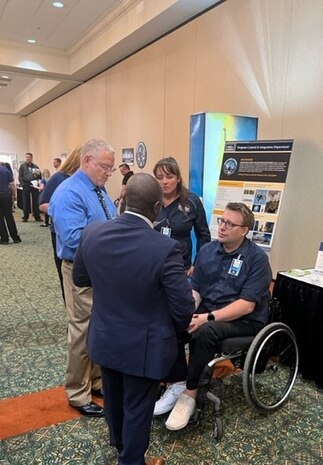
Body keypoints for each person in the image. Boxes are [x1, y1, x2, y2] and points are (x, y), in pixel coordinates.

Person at [73, 173, 195, 465]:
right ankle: (131, 460)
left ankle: (119, 446)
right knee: (138, 407)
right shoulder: (165, 248)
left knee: (113, 398)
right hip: (144, 345)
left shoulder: (92, 232)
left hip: (104, 336)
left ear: (124, 199)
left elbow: (80, 278)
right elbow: (184, 308)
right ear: (156, 208)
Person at [163, 202, 272, 431]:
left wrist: (207, 318)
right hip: (210, 311)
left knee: (206, 331)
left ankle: (190, 394)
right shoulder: (207, 251)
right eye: (222, 221)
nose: (222, 227)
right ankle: (177, 381)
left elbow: (246, 306)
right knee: (171, 320)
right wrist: (187, 311)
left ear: (244, 230)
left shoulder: (257, 259)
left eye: (230, 224)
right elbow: (197, 290)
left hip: (243, 321)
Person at [49, 139, 117, 417]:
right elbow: (75, 239)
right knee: (82, 331)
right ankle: (78, 392)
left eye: (111, 169)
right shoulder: (68, 193)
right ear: (87, 161)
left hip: (103, 270)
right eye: (105, 167)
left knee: (99, 327)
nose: (108, 173)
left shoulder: (98, 189)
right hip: (81, 269)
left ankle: (97, 381)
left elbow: (111, 221)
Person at [152, 156, 211, 416]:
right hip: (153, 272)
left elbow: (204, 237)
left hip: (181, 273)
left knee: (177, 323)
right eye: (160, 177)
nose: (164, 182)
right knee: (155, 322)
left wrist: (197, 265)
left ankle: (179, 378)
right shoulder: (151, 201)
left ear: (178, 177)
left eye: (169, 176)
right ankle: (161, 372)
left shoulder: (191, 202)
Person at [39, 147, 82, 302]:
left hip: (83, 234)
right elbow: (42, 204)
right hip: (60, 233)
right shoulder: (59, 178)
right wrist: (64, 211)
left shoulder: (92, 180)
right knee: (66, 276)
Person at [0, 163, 21, 244]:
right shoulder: (6, 170)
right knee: (9, 216)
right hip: (6, 195)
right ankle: (15, 237)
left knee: (0, 218)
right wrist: (14, 195)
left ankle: (4, 238)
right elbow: (12, 185)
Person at [18, 152, 42, 222]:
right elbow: (20, 176)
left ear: (32, 158)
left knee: (35, 201)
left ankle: (37, 216)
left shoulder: (35, 166)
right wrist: (22, 184)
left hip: (34, 185)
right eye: (27, 157)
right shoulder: (22, 166)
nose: (28, 158)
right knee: (26, 201)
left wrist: (38, 175)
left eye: (29, 157)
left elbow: (39, 177)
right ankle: (25, 217)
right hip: (26, 184)